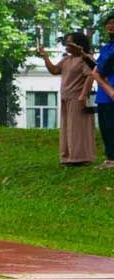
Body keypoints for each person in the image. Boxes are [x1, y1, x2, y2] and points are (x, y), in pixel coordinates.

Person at [38, 32, 96, 166]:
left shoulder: (85, 59)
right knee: (66, 128)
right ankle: (67, 156)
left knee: (78, 128)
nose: (66, 45)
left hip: (77, 98)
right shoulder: (67, 60)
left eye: (69, 42)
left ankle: (80, 158)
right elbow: (54, 70)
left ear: (78, 44)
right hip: (65, 98)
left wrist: (82, 95)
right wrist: (45, 57)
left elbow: (90, 76)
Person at [91, 13, 114, 169]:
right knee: (105, 128)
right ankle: (109, 158)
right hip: (103, 94)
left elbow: (101, 70)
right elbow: (97, 68)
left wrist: (98, 72)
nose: (111, 26)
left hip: (111, 89)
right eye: (109, 23)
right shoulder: (106, 47)